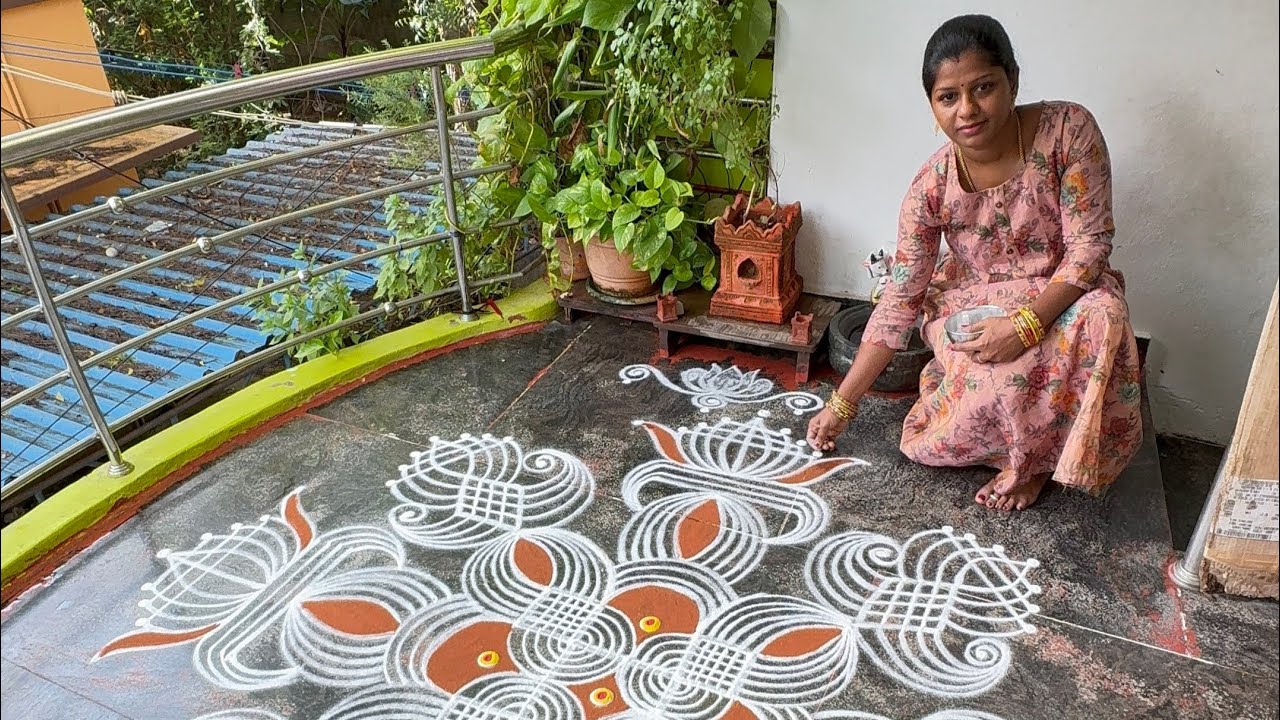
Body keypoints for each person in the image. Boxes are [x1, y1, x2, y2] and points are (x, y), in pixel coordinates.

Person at [807, 14, 1143, 512]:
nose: (967, 110)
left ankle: (1035, 467)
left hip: (1066, 295)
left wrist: (1026, 325)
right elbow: (901, 300)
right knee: (986, 383)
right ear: (932, 105)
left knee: (1104, 320)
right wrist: (843, 403)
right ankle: (1011, 450)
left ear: (1013, 80)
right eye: (948, 97)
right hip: (975, 305)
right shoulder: (930, 187)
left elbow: (1089, 249)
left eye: (983, 87)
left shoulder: (1069, 132)